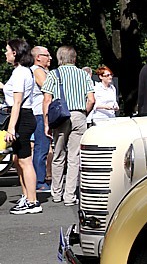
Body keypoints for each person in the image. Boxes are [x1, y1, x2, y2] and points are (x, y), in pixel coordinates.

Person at [41, 45, 95, 206]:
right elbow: (91, 99)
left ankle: (56, 193)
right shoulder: (83, 74)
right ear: (74, 58)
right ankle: (70, 196)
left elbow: (46, 100)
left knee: (58, 156)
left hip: (60, 117)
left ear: (59, 59)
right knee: (74, 157)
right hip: (79, 116)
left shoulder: (53, 75)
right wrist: (82, 113)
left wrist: (46, 123)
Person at [3, 39, 42, 214]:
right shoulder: (21, 72)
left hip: (22, 118)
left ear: (15, 52)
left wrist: (11, 128)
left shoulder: (21, 73)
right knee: (18, 160)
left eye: (7, 50)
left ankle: (33, 201)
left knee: (25, 161)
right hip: (22, 117)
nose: (5, 53)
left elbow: (17, 102)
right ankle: (27, 197)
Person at [30, 46, 52, 192]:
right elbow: (48, 88)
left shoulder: (39, 70)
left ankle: (39, 180)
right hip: (39, 112)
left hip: (38, 112)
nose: (50, 58)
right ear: (38, 57)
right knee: (41, 148)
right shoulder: (37, 70)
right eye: (47, 55)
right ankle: (39, 182)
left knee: (41, 148)